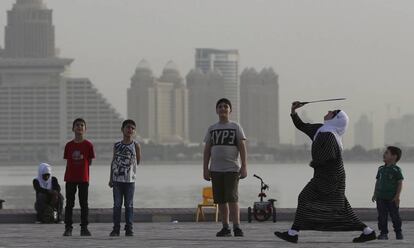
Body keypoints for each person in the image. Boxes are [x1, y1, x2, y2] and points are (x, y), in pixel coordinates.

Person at [274, 101, 376, 243]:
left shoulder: (328, 134)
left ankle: (293, 233)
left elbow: (327, 156)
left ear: (335, 119)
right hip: (331, 175)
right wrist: (293, 111)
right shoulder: (321, 130)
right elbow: (302, 126)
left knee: (304, 198)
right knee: (341, 207)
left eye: (332, 112)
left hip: (329, 176)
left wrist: (315, 164)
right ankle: (368, 231)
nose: (328, 111)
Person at [203, 98, 248, 237]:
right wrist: (205, 168)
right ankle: (225, 227)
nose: (223, 108)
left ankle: (237, 227)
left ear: (230, 110)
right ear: (217, 110)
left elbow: (242, 147)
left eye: (225, 106)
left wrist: (244, 166)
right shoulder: (212, 128)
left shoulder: (235, 127)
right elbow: (207, 150)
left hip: (232, 169)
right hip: (216, 169)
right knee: (221, 200)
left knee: (232, 199)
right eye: (220, 107)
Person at [63, 118, 95, 236]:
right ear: (73, 128)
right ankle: (68, 228)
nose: (79, 127)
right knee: (69, 204)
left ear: (85, 129)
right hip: (70, 178)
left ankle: (84, 228)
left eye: (82, 125)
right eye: (77, 125)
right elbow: (68, 160)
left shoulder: (88, 145)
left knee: (84, 203)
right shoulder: (68, 145)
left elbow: (90, 161)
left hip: (83, 178)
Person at [108, 119, 141, 237]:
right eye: (128, 127)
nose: (130, 130)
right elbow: (113, 162)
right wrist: (110, 178)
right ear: (122, 129)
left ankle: (129, 228)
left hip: (130, 181)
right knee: (117, 205)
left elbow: (138, 161)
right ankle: (116, 229)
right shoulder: (117, 145)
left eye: (132, 128)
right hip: (117, 181)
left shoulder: (136, 145)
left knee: (129, 205)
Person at [372, 146, 404, 240]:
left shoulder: (396, 170)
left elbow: (400, 183)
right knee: (381, 216)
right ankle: (383, 233)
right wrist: (375, 194)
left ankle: (398, 232)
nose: (384, 154)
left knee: (395, 216)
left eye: (387, 153)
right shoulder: (381, 169)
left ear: (394, 156)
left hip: (392, 198)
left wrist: (397, 196)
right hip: (380, 197)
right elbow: (377, 182)